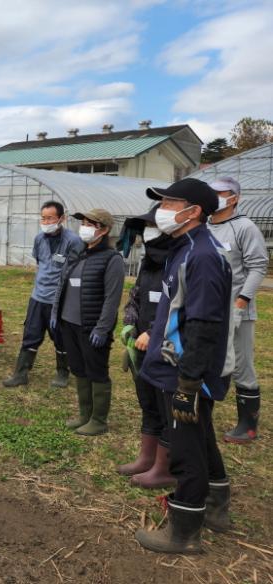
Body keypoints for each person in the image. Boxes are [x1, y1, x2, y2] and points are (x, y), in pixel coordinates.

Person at [134, 178, 233, 554]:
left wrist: (188, 382)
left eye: (171, 202)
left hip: (184, 373)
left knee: (185, 448)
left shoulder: (203, 255)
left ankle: (184, 530)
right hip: (173, 367)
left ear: (193, 212)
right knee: (201, 438)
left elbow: (205, 323)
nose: (163, 209)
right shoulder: (185, 248)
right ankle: (216, 507)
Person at [116, 205, 175, 488]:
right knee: (147, 402)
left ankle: (164, 467)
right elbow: (135, 296)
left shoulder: (177, 261)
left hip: (165, 346)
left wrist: (153, 333)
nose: (148, 232)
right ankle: (146, 458)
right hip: (139, 346)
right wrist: (129, 324)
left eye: (154, 227)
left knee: (166, 408)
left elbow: (178, 307)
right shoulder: (149, 261)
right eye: (146, 227)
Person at [51, 208, 124, 435]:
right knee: (79, 369)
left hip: (91, 326)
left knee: (96, 371)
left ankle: (99, 420)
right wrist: (56, 313)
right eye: (83, 222)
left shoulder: (112, 259)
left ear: (104, 230)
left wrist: (102, 328)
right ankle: (85, 415)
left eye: (90, 224)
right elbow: (61, 286)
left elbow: (112, 299)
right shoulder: (78, 254)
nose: (85, 227)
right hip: (69, 323)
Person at [207, 177, 267, 444]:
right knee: (210, 360)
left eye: (220, 193)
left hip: (237, 309)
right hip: (209, 309)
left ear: (234, 198)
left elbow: (258, 266)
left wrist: (241, 302)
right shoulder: (203, 227)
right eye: (211, 192)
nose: (214, 196)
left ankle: (247, 425)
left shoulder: (244, 227)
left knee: (242, 365)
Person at [2, 200, 83, 388]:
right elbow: (41, 264)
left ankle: (63, 373)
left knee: (61, 337)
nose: (46, 222)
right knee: (31, 334)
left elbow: (77, 270)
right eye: (43, 218)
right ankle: (20, 374)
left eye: (50, 218)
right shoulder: (39, 239)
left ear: (61, 218)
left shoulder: (73, 241)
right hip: (38, 297)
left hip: (60, 299)